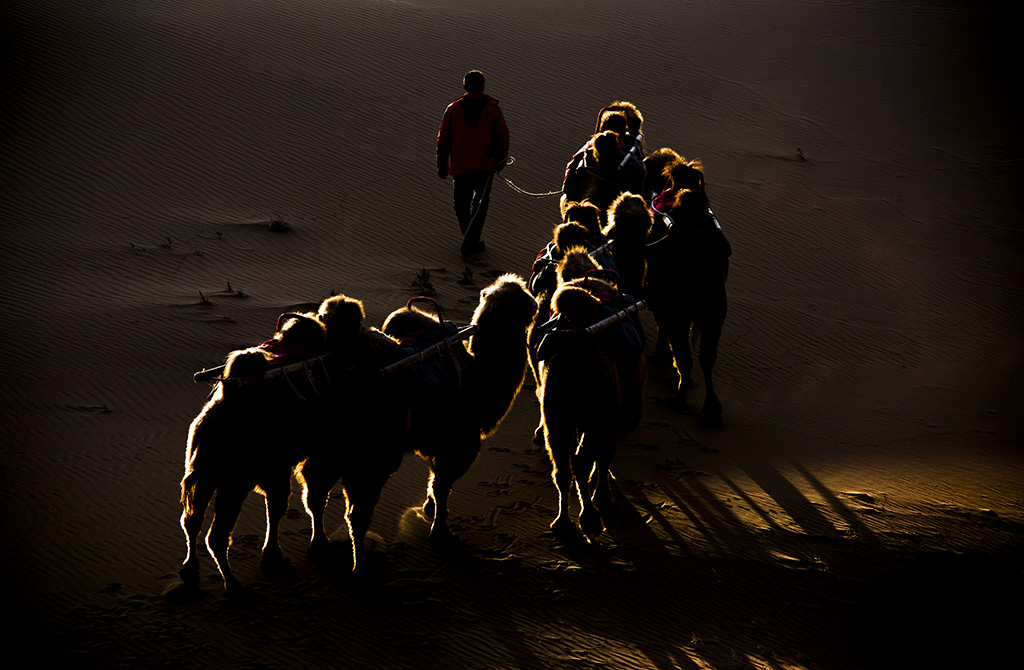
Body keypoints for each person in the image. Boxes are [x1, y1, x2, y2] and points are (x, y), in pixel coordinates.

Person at [436, 70, 510, 258]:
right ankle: (471, 239)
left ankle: (470, 239)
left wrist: (442, 165)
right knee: (480, 203)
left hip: (461, 165)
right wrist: (501, 160)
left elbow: (443, 139)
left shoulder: (453, 109)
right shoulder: (493, 109)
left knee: (460, 203)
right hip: (485, 165)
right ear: (483, 86)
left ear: (465, 86)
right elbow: (503, 137)